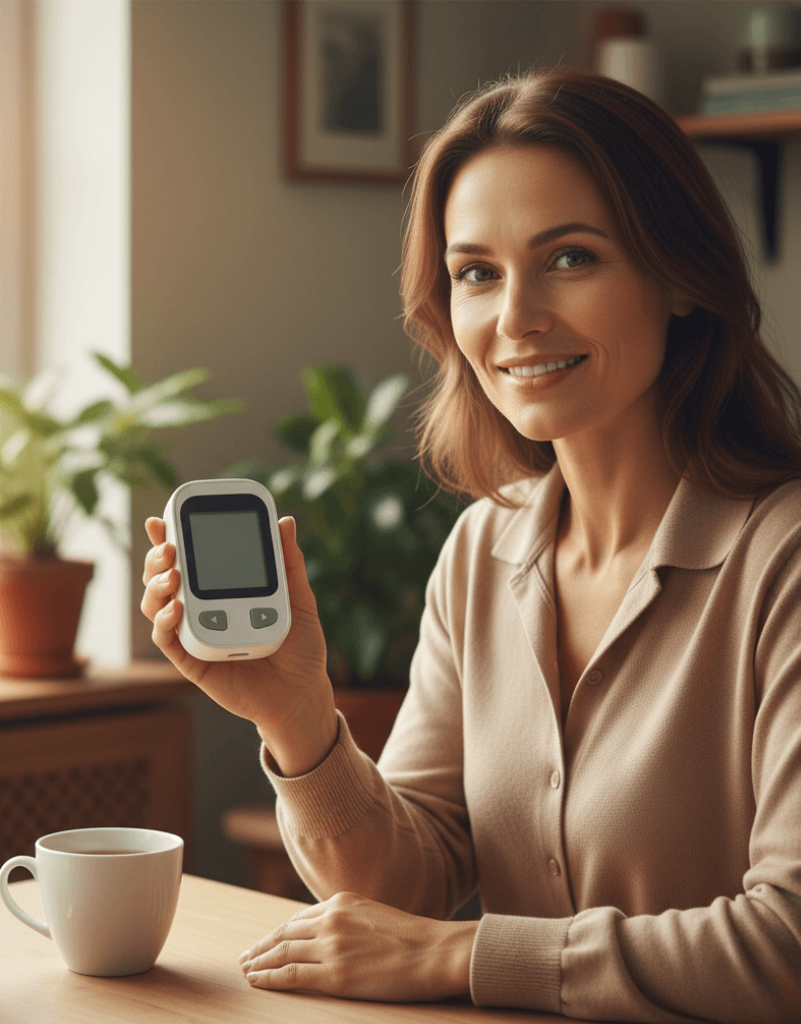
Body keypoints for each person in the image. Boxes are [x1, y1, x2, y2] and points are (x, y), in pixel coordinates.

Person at [140, 68, 801, 1023]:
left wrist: (459, 955)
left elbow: (786, 946)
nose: (515, 317)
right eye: (476, 273)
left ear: (681, 277)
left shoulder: (782, 561)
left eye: (570, 257)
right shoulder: (482, 552)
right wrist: (296, 719)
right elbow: (399, 887)